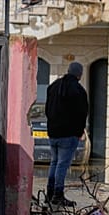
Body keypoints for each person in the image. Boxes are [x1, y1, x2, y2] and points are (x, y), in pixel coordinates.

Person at [44, 61, 89, 207]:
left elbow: (47, 109)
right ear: (79, 74)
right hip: (68, 135)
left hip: (53, 132)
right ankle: (58, 195)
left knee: (54, 162)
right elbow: (82, 114)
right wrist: (79, 131)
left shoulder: (54, 86)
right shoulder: (78, 91)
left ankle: (49, 193)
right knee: (62, 164)